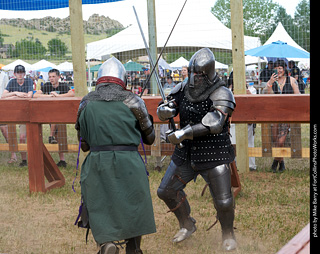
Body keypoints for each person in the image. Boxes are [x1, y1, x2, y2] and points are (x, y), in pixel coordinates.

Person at [157, 48, 237, 251]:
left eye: (198, 74)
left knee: (224, 201)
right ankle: (186, 224)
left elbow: (215, 123)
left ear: (208, 73)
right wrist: (165, 109)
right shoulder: (183, 87)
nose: (193, 78)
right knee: (166, 191)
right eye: (191, 72)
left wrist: (183, 133)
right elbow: (171, 104)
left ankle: (228, 235)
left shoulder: (222, 92)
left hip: (214, 153)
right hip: (186, 152)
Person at [75, 57, 156, 254]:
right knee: (133, 203)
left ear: (99, 79)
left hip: (97, 162)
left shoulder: (85, 103)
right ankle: (134, 247)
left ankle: (106, 244)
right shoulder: (133, 101)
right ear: (123, 79)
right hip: (128, 162)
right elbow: (150, 139)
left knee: (98, 202)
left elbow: (84, 144)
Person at [34, 68, 75, 167]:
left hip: (63, 114)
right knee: (58, 136)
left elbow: (72, 93)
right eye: (50, 77)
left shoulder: (63, 85)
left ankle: (51, 136)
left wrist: (59, 96)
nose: (51, 79)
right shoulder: (47, 85)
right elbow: (36, 95)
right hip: (49, 114)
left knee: (59, 135)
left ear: (58, 77)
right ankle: (62, 160)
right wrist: (49, 97)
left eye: (53, 76)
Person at [266, 59, 300, 172]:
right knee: (276, 140)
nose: (278, 70)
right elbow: (267, 97)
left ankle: (276, 161)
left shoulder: (291, 80)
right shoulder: (272, 82)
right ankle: (282, 163)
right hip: (275, 114)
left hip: (287, 114)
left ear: (284, 69)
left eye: (280, 68)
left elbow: (298, 95)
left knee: (280, 141)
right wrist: (270, 83)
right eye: (276, 68)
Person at [1, 64, 33, 166]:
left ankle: (24, 160)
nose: (20, 75)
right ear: (15, 74)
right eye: (18, 73)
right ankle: (14, 155)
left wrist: (12, 96)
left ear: (24, 73)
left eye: (21, 73)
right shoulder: (12, 82)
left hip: (25, 113)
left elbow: (29, 96)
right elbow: (3, 96)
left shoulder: (28, 81)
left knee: (22, 136)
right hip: (13, 113)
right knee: (10, 133)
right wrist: (16, 93)